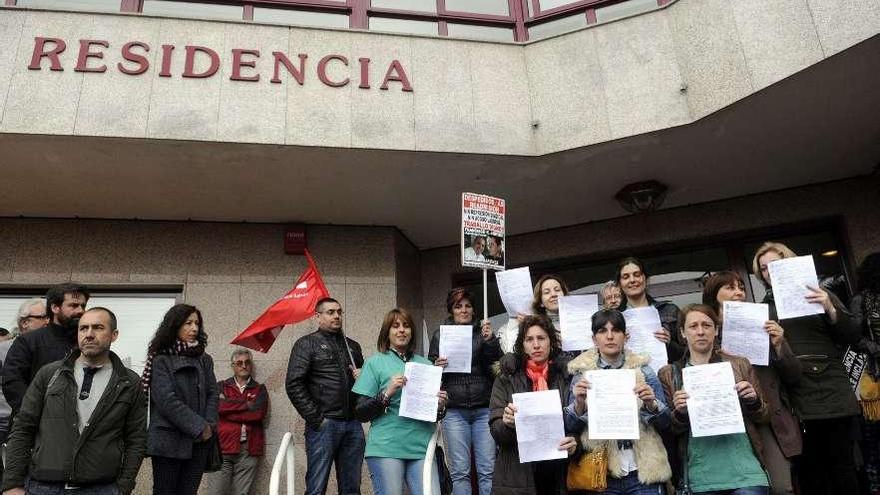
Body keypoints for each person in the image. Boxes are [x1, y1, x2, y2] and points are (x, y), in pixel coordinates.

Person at [752, 242, 861, 495]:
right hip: (793, 394)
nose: (770, 272)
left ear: (790, 262)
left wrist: (831, 308)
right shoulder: (763, 308)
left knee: (843, 467)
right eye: (764, 269)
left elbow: (853, 334)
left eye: (775, 265)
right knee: (811, 471)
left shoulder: (819, 292)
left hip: (831, 390)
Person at [2, 307, 147, 495]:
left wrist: (124, 486)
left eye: (98, 327)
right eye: (83, 328)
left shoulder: (129, 382)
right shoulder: (50, 374)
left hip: (101, 488)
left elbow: (136, 439)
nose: (89, 334)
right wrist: (12, 484)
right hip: (44, 487)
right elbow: (23, 427)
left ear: (114, 335)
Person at [703, 271, 802, 495]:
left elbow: (794, 375)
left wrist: (779, 344)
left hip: (765, 417)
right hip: (726, 422)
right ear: (713, 295)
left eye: (741, 287)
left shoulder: (763, 325)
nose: (738, 292)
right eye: (729, 287)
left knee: (781, 486)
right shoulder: (704, 330)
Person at [658, 304, 770, 495]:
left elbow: (764, 416)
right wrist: (680, 412)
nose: (700, 331)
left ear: (716, 330)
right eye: (693, 326)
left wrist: (753, 400)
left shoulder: (739, 364)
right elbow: (670, 429)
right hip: (700, 476)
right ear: (683, 333)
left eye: (707, 325)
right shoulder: (669, 373)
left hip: (746, 471)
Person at [567, 309, 672, 494]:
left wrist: (651, 404)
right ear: (594, 339)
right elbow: (570, 427)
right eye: (602, 331)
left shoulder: (644, 371)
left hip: (643, 472)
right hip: (602, 473)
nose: (609, 336)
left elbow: (666, 423)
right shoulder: (582, 374)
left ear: (626, 336)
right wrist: (579, 404)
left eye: (616, 330)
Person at [353, 308, 447, 495]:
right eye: (395, 326)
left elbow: (433, 414)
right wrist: (387, 393)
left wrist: (441, 406)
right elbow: (360, 412)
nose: (401, 330)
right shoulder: (374, 363)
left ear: (412, 332)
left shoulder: (427, 365)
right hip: (387, 447)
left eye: (406, 326)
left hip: (422, 447)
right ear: (387, 333)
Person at [489, 315, 579, 495]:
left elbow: (578, 422)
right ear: (522, 344)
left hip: (558, 473)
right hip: (517, 474)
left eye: (541, 338)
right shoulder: (507, 377)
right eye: (529, 339)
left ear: (551, 342)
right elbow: (495, 429)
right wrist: (506, 423)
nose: (536, 345)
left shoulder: (567, 376)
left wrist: (575, 443)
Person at [286, 297, 365, 495]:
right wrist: (316, 419)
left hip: (353, 424)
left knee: (352, 489)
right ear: (317, 316)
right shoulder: (306, 344)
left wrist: (363, 378)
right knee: (316, 488)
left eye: (339, 312)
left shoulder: (353, 346)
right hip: (324, 425)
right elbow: (294, 384)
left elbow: (365, 386)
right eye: (330, 312)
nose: (337, 316)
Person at [429, 288, 502, 495]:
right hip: (454, 411)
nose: (463, 310)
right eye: (458, 306)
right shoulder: (440, 334)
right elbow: (431, 375)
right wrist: (436, 366)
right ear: (451, 310)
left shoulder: (484, 332)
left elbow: (496, 368)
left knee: (488, 470)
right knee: (460, 472)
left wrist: (490, 342)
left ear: (473, 309)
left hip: (484, 409)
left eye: (468, 306)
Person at [142, 303, 219, 495]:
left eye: (197, 323)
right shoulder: (160, 359)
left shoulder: (204, 358)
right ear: (174, 325)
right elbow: (165, 399)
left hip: (200, 442)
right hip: (168, 440)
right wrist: (198, 426)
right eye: (188, 323)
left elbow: (213, 393)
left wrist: (209, 425)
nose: (194, 328)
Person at [2, 283, 88, 414]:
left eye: (83, 305)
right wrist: (36, 415)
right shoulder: (28, 341)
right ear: (55, 307)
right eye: (73, 305)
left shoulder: (86, 342)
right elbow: (13, 383)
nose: (80, 310)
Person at [217, 348, 269, 495]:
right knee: (217, 491)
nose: (244, 366)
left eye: (247, 362)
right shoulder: (221, 386)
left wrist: (228, 411)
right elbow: (217, 407)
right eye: (239, 363)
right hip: (223, 447)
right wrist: (246, 405)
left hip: (248, 449)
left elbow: (258, 414)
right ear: (233, 366)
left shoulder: (260, 389)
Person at [849, 252, 880, 494]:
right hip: (874, 377)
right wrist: (875, 347)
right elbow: (853, 336)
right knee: (875, 444)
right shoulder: (860, 301)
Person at [616, 257, 685, 363]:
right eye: (626, 277)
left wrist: (669, 343)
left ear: (645, 279)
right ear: (620, 284)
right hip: (631, 377)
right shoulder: (615, 318)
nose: (632, 280)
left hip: (666, 376)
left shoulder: (670, 310)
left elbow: (687, 353)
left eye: (637, 274)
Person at [499, 274, 570, 353]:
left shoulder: (580, 319)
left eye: (557, 290)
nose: (553, 294)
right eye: (547, 292)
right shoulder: (535, 324)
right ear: (541, 303)